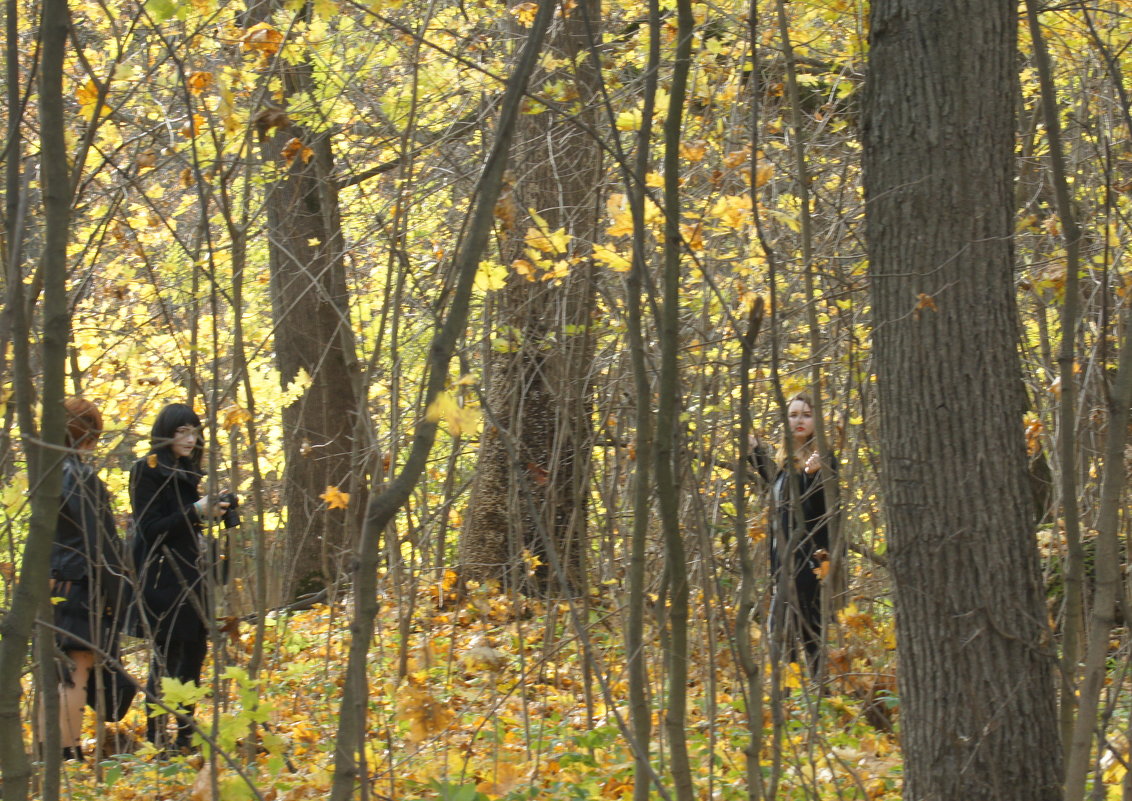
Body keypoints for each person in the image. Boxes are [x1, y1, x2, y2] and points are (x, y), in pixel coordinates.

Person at [129, 403, 234, 751]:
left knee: (193, 655)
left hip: (194, 576)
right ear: (165, 435)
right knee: (167, 657)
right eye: (181, 432)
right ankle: (156, 738)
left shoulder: (190, 473)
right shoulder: (147, 470)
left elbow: (189, 526)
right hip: (162, 579)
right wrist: (195, 511)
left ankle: (186, 735)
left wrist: (214, 512)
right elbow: (148, 529)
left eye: (195, 431)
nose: (191, 439)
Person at [44, 398, 131, 761]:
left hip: (53, 584)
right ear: (88, 436)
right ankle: (66, 753)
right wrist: (120, 591)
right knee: (76, 670)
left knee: (63, 672)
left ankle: (50, 752)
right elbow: (101, 544)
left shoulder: (45, 474)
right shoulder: (79, 477)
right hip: (79, 586)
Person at [750, 394, 838, 676]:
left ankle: (815, 697)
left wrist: (815, 477)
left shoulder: (823, 458)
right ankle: (792, 701)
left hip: (808, 561)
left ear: (816, 420)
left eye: (806, 415)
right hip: (782, 560)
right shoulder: (787, 460)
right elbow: (783, 495)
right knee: (787, 633)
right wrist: (755, 453)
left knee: (804, 630)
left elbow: (821, 511)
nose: (799, 421)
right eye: (793, 415)